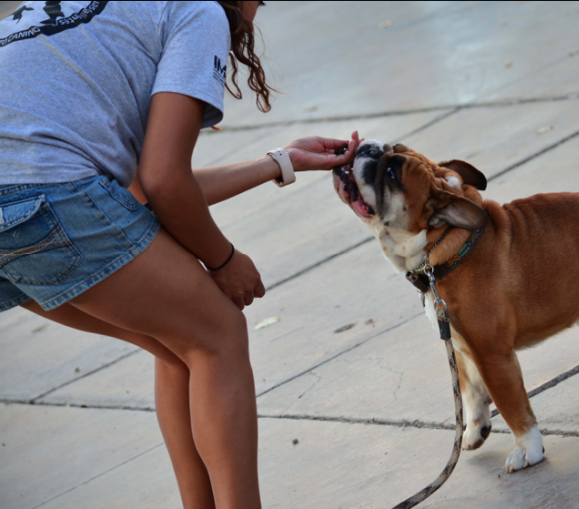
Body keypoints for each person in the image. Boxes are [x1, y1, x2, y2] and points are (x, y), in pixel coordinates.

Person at [0, 2, 360, 507]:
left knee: (176, 342)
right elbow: (163, 179)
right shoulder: (200, 10)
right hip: (42, 190)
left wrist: (280, 162)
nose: (257, 10)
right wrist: (223, 260)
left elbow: (138, 195)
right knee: (217, 334)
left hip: (24, 198)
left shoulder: (95, 20)